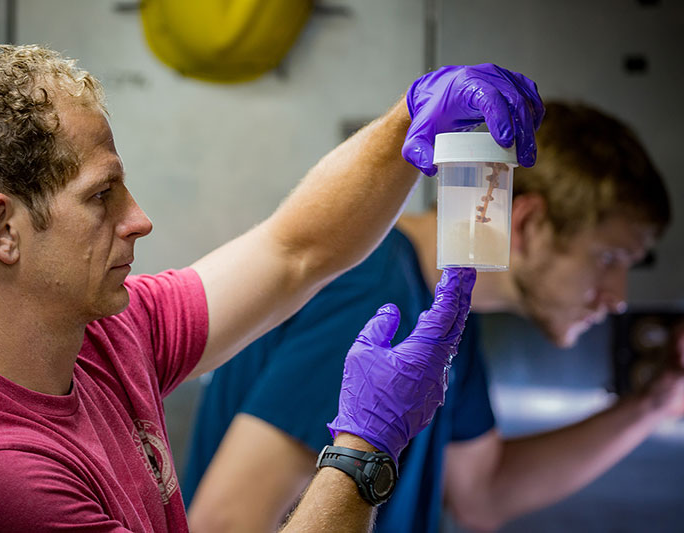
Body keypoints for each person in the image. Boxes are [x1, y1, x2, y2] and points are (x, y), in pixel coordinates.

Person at [0, 44, 541, 532]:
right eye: (102, 196)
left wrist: (411, 115)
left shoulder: (104, 336)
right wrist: (364, 450)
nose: (138, 219)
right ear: (3, 228)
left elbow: (295, 251)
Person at [183, 101, 684, 532]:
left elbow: (482, 492)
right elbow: (225, 522)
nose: (619, 297)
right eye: (609, 260)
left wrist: (658, 401)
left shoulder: (448, 319)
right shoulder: (378, 299)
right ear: (529, 224)